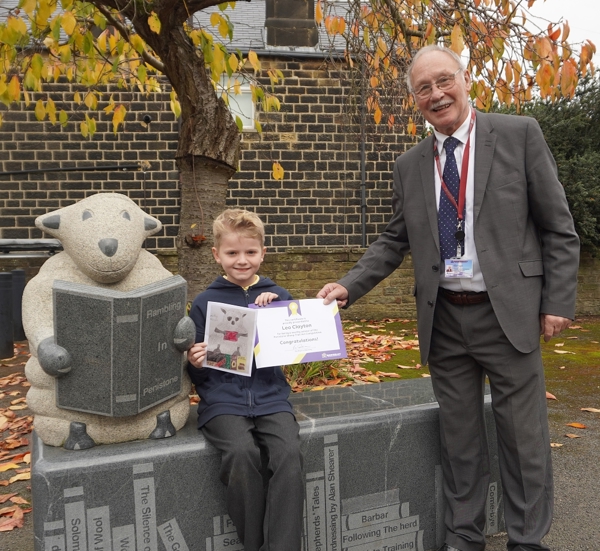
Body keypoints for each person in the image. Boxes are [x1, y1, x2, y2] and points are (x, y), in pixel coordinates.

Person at [318, 45, 579, 551]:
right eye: (423, 88)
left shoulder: (519, 134)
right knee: (459, 442)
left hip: (509, 315)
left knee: (522, 440)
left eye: (444, 80)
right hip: (444, 323)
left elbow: (559, 227)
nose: (436, 94)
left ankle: (526, 540)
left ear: (464, 79)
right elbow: (394, 239)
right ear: (414, 99)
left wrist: (558, 302)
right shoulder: (410, 164)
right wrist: (348, 285)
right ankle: (465, 537)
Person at [187, 208, 304, 551]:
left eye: (250, 252)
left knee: (289, 455)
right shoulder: (205, 302)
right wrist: (195, 360)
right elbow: (198, 371)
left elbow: (297, 345)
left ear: (262, 253)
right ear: (217, 255)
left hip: (270, 397)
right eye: (232, 253)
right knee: (241, 453)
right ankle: (254, 544)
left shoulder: (279, 296)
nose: (242, 260)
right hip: (223, 402)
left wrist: (278, 309)